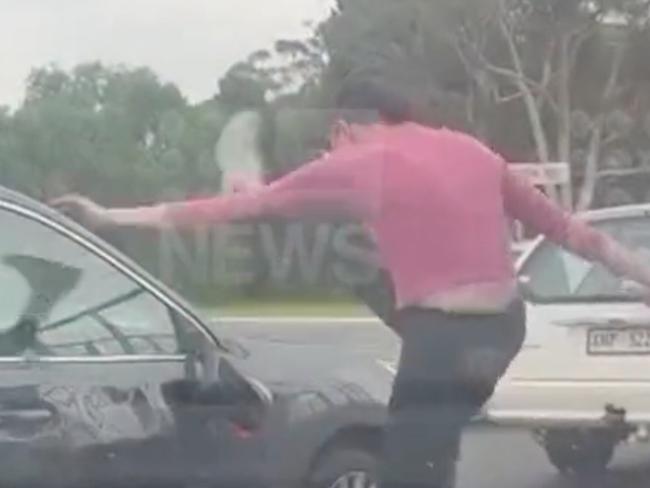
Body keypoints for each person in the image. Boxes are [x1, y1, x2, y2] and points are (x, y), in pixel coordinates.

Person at [52, 79, 650, 488]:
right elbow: (577, 234)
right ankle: (434, 443)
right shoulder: (474, 150)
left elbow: (224, 212)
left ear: (345, 128)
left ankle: (428, 449)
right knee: (425, 438)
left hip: (441, 340)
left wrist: (109, 216)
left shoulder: (356, 161)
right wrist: (642, 274)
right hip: (503, 327)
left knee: (410, 465)